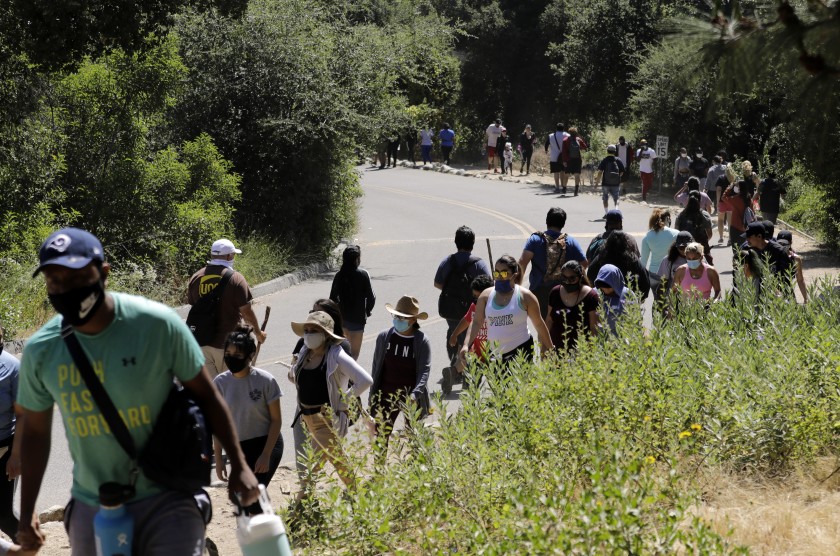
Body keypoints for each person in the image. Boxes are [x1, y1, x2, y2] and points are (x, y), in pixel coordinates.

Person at [18, 228, 260, 554]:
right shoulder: (41, 350)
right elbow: (34, 432)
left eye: (75, 277)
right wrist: (27, 511)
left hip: (168, 495)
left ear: (103, 273)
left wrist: (241, 466)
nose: (64, 289)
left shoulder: (156, 324)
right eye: (53, 280)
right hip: (94, 506)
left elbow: (207, 396)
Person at [290, 311, 372, 495]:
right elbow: (297, 376)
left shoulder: (336, 355)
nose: (309, 333)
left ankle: (299, 510)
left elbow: (365, 380)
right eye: (307, 329)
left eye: (314, 330)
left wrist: (344, 401)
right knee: (338, 460)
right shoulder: (305, 352)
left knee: (312, 468)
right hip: (307, 419)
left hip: (325, 419)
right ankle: (358, 497)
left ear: (326, 334)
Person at [213, 325, 283, 492]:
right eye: (228, 354)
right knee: (244, 500)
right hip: (238, 448)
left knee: (253, 495)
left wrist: (266, 455)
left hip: (267, 443)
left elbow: (276, 420)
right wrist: (219, 458)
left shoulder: (266, 381)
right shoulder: (220, 383)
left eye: (238, 355)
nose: (231, 358)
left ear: (250, 355)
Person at [289, 299, 351, 485]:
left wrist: (342, 403)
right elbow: (294, 368)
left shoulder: (339, 348)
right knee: (305, 453)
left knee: (331, 459)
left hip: (325, 414)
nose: (313, 319)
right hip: (303, 411)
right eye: (312, 313)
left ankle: (305, 498)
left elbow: (352, 380)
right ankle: (307, 495)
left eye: (320, 314)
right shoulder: (305, 345)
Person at [188, 238, 266, 378]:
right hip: (229, 346)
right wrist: (258, 334)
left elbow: (194, 306)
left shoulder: (196, 277)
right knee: (233, 389)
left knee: (213, 392)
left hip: (201, 344)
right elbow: (246, 312)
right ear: (229, 256)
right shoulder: (236, 279)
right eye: (233, 255)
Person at [461, 255, 554, 370]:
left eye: (504, 273)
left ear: (514, 274)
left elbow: (539, 324)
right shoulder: (486, 296)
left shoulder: (526, 296)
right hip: (495, 354)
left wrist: (551, 348)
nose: (499, 277)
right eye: (496, 273)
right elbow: (476, 323)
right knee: (498, 387)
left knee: (521, 387)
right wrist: (466, 345)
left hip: (521, 351)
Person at [368, 296, 432, 458]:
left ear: (412, 320)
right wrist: (373, 396)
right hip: (386, 395)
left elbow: (424, 371)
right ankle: (379, 472)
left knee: (414, 434)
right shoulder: (384, 337)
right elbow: (376, 368)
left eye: (402, 317)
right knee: (381, 435)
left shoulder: (421, 341)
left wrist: (415, 394)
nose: (398, 320)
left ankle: (417, 468)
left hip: (410, 397)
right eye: (396, 316)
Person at [434, 226, 491, 372]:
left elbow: (437, 283)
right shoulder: (479, 264)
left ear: (455, 242)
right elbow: (488, 287)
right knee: (471, 338)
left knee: (454, 332)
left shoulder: (447, 261)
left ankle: (455, 367)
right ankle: (465, 369)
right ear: (472, 243)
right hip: (472, 309)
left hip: (450, 309)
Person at [519, 207, 588, 318]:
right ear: (563, 224)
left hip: (539, 289)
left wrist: (517, 286)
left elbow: (522, 263)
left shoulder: (535, 240)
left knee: (542, 323)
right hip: (563, 290)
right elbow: (584, 263)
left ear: (547, 221)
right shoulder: (570, 241)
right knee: (561, 322)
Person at [445, 274, 494, 394]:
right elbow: (467, 320)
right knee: (471, 389)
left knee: (496, 386)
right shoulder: (474, 306)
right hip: (475, 353)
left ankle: (454, 371)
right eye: (475, 296)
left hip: (493, 354)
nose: (477, 299)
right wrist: (454, 334)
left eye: (480, 296)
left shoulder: (496, 309)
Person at [329, 245, 375, 360]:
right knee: (354, 355)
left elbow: (332, 299)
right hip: (357, 320)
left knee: (342, 354)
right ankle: (350, 377)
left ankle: (342, 377)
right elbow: (371, 298)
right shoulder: (363, 274)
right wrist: (367, 311)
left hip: (342, 321)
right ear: (356, 259)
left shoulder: (339, 276)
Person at [545, 261, 599, 353]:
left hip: (580, 352)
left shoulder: (591, 297)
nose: (568, 282)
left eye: (572, 278)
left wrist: (590, 353)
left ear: (580, 278)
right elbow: (549, 321)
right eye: (564, 278)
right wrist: (544, 347)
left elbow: (594, 329)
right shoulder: (555, 293)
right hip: (556, 351)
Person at [587, 231, 650, 300]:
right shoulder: (632, 259)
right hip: (628, 301)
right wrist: (639, 299)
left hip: (605, 300)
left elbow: (590, 274)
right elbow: (645, 281)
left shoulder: (601, 257)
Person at [0, 325, 20, 543]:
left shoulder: (12, 367)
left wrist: (17, 456)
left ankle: (26, 545)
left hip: (4, 450)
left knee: (3, 514)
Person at [640, 208, 678, 298]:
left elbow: (643, 262)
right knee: (672, 303)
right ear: (667, 219)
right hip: (671, 273)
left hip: (654, 274)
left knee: (658, 301)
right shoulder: (676, 234)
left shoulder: (648, 236)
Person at [655, 232, 692, 314]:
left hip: (694, 300)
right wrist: (660, 304)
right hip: (675, 300)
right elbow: (662, 284)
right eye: (681, 248)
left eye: (686, 247)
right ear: (676, 247)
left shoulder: (699, 259)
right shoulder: (668, 260)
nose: (684, 250)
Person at [675, 190, 714, 264]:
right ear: (700, 200)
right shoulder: (704, 215)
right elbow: (710, 234)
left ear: (688, 199)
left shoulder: (681, 215)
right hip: (702, 249)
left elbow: (676, 232)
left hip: (683, 250)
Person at [594, 264, 635, 335]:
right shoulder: (594, 294)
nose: (605, 289)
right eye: (602, 285)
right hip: (599, 339)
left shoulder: (627, 294)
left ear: (615, 282)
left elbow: (634, 319)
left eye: (608, 286)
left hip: (621, 340)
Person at [775, 231, 808, 303]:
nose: (782, 246)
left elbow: (800, 280)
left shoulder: (796, 259)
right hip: (773, 292)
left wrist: (805, 299)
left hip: (788, 293)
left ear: (790, 243)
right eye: (780, 243)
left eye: (785, 244)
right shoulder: (771, 256)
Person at [596, 144, 626, 210]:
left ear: (607, 151)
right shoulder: (618, 160)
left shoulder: (605, 160)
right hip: (616, 183)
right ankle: (616, 211)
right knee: (616, 198)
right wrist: (618, 177)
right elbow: (622, 171)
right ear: (615, 151)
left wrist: (597, 183)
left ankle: (606, 213)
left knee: (605, 198)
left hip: (605, 183)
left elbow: (600, 172)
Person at [562, 127, 588, 196]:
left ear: (569, 133)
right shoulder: (578, 139)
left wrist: (564, 161)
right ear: (576, 133)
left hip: (568, 159)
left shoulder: (565, 140)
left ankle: (564, 189)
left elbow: (564, 152)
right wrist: (580, 147)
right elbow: (585, 147)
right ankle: (576, 191)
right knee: (577, 175)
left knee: (566, 174)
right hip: (577, 159)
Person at [544, 123, 569, 193]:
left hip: (554, 157)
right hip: (564, 157)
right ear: (563, 128)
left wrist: (546, 150)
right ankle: (563, 187)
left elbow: (546, 144)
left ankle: (557, 188)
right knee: (563, 172)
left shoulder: (551, 136)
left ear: (556, 128)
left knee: (556, 172)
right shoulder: (567, 135)